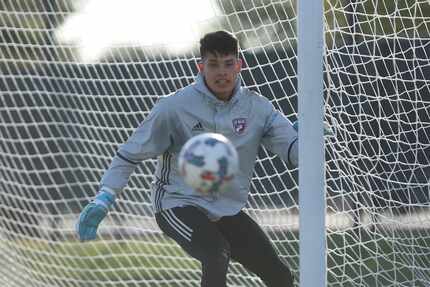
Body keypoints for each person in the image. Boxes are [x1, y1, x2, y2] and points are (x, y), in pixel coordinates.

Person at [76, 30, 297, 287]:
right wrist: (104, 198)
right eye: (213, 65)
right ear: (201, 67)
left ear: (239, 65)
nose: (221, 72)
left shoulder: (258, 108)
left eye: (228, 64)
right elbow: (129, 154)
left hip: (225, 209)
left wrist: (313, 138)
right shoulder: (173, 107)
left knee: (279, 275)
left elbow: (294, 152)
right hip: (176, 204)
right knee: (215, 253)